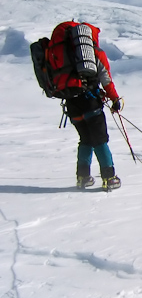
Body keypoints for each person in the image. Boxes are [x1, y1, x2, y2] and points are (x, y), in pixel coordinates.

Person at [33, 21, 123, 190]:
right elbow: (106, 79)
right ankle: (109, 177)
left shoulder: (58, 52)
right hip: (90, 102)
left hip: (71, 103)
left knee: (86, 139)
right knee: (100, 140)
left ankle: (83, 177)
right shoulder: (94, 52)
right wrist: (115, 99)